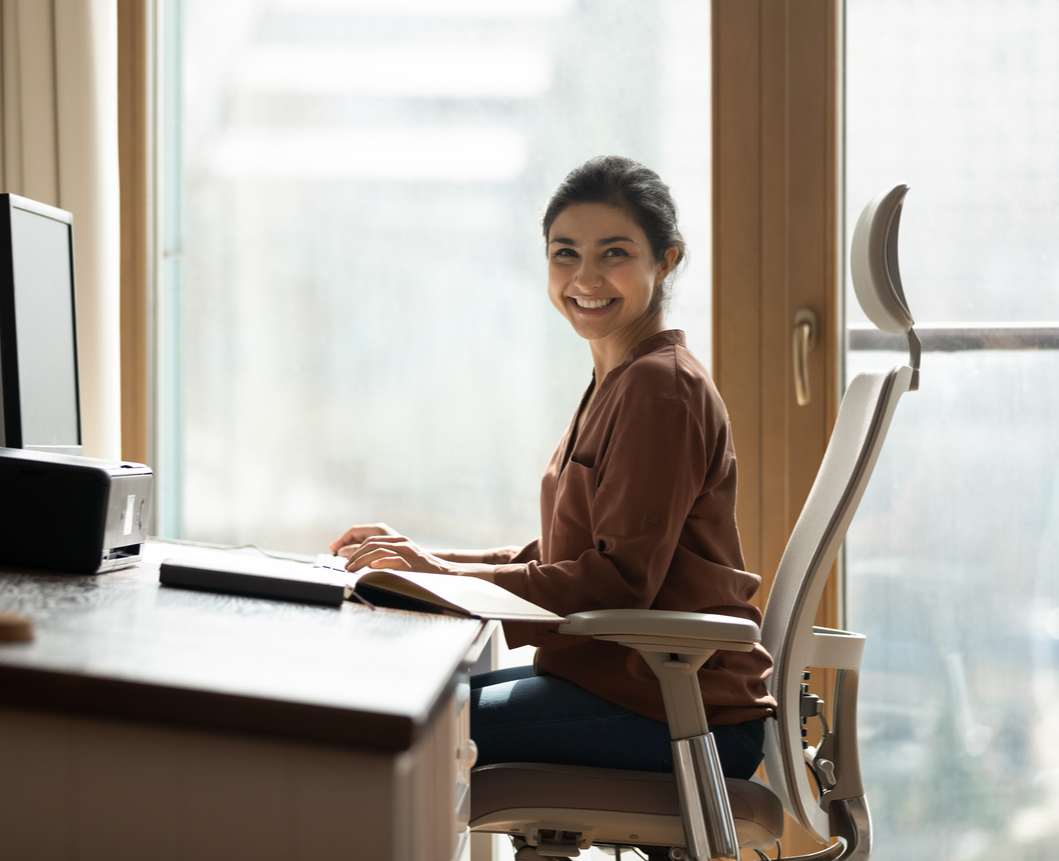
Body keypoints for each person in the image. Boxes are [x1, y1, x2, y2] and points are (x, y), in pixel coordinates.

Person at [330, 155, 775, 779]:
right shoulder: (620, 378)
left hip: (674, 711)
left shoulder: (659, 389)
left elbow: (616, 582)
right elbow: (569, 554)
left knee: (384, 731)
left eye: (614, 253)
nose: (585, 276)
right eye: (565, 253)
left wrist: (439, 578)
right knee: (398, 702)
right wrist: (429, 567)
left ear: (666, 260)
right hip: (626, 692)